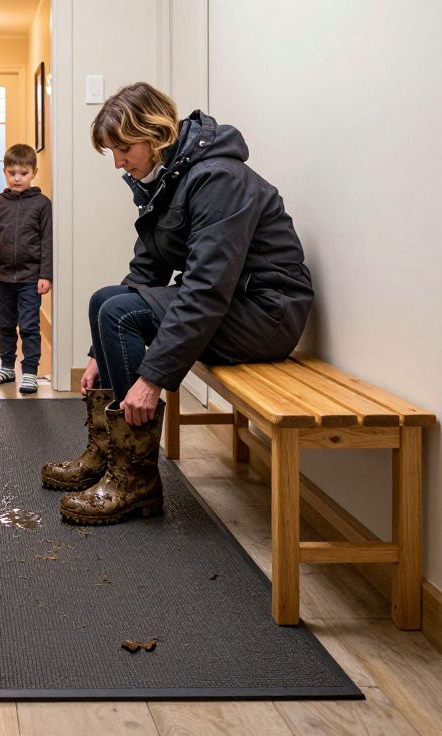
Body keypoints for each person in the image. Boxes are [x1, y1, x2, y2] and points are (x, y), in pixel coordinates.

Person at [44, 82, 314, 526]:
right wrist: (97, 356)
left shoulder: (219, 179)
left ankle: (136, 478)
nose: (119, 163)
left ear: (154, 133)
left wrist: (153, 379)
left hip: (266, 315)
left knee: (119, 312)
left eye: (124, 148)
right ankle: (106, 453)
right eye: (112, 152)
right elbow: (145, 272)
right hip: (233, 307)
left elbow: (206, 288)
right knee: (104, 301)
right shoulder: (168, 181)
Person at [0, 144, 53, 395]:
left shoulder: (42, 204)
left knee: (30, 325)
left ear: (34, 172)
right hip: (3, 277)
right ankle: (7, 367)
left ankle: (30, 371)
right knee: (5, 324)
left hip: (30, 278)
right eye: (12, 172)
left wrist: (46, 274)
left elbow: (47, 241)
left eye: (23, 172)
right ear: (4, 172)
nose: (17, 177)